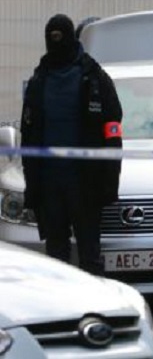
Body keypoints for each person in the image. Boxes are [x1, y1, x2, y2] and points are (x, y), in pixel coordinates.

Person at [20, 14, 123, 275]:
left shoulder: (95, 79)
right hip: (49, 186)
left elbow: (113, 132)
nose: (56, 42)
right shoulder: (38, 82)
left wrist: (110, 182)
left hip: (85, 184)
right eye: (51, 37)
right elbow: (28, 135)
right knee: (56, 260)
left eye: (60, 37)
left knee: (90, 257)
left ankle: (95, 300)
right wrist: (32, 187)